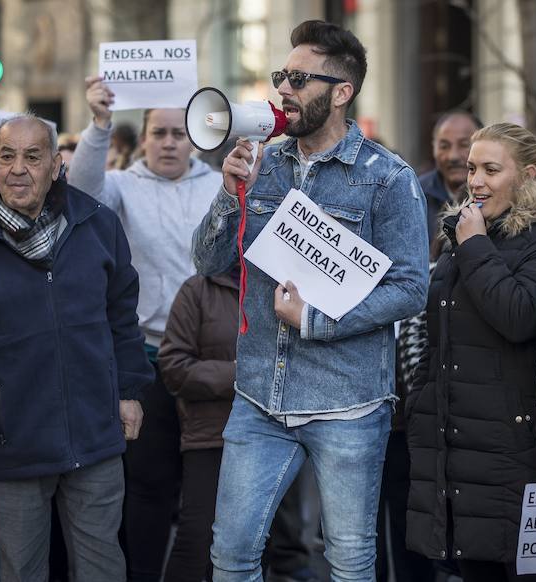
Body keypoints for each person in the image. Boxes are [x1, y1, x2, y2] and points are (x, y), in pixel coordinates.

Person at [192, 19, 429, 581]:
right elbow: (207, 262)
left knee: (347, 560)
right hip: (259, 395)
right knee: (230, 554)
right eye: (282, 76)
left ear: (341, 92)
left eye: (299, 79)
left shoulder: (387, 179)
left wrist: (318, 320)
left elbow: (411, 288)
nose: (284, 91)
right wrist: (230, 194)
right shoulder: (263, 165)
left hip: (346, 402)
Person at [0, 115, 153, 582]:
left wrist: (128, 390)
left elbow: (122, 317)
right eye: (7, 156)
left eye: (33, 156)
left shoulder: (97, 224)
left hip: (95, 435)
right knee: (22, 570)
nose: (18, 168)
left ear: (57, 166)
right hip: (12, 443)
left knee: (103, 565)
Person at [68, 79, 224, 581]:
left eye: (180, 133)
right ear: (143, 140)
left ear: (196, 139)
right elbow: (79, 189)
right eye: (159, 132)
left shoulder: (220, 185)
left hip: (210, 363)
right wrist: (98, 125)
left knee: (207, 487)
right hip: (146, 357)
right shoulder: (123, 186)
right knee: (148, 486)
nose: (170, 142)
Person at [405, 122, 536, 581]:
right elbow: (438, 335)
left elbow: (519, 316)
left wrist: (476, 244)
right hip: (458, 448)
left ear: (530, 175)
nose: (475, 180)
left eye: (491, 170)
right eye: (473, 168)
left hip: (514, 449)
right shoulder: (462, 231)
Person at [158, 273, 238, 582]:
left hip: (269, 436)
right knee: (197, 539)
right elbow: (174, 367)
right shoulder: (197, 290)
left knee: (255, 544)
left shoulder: (280, 287)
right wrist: (239, 374)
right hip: (209, 435)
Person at [419, 111, 483, 248]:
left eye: (464, 144)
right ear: (433, 147)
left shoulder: (495, 196)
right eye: (444, 146)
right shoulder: (416, 193)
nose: (453, 156)